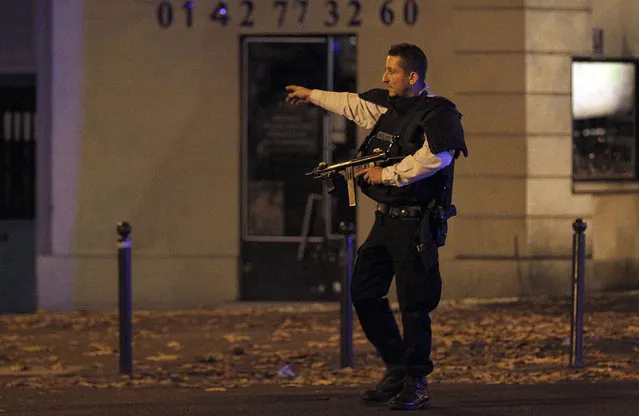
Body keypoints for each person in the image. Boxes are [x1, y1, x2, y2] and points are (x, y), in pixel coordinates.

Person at [285, 43, 467, 411]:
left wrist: (388, 173)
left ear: (413, 76)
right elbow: (352, 105)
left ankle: (416, 380)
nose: (384, 78)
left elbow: (437, 156)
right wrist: (312, 95)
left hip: (416, 225)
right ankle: (397, 367)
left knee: (415, 305)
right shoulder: (391, 109)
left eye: (392, 71)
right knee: (365, 294)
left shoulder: (438, 113)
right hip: (385, 220)